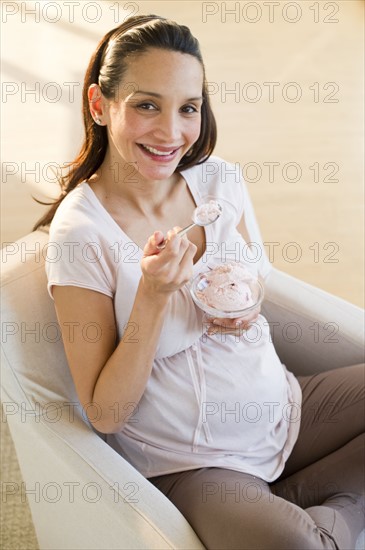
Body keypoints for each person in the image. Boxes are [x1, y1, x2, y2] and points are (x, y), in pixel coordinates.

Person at [34, 14, 364, 550]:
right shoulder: (81, 234)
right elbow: (105, 412)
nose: (171, 133)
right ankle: (314, 516)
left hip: (281, 408)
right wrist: (154, 295)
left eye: (188, 108)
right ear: (99, 105)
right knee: (298, 547)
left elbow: (255, 279)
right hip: (192, 461)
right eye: (146, 105)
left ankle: (317, 503)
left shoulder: (216, 178)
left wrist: (246, 300)